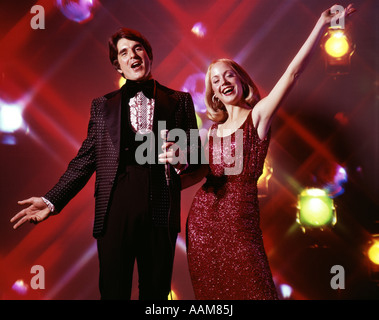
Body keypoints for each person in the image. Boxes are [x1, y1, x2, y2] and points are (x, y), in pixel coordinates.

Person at [10, 28, 199, 300]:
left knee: (156, 297)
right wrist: (51, 201)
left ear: (148, 54)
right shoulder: (102, 106)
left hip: (160, 209)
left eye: (137, 48)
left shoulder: (180, 101)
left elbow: (196, 157)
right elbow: (84, 161)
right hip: (114, 209)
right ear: (117, 64)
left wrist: (183, 158)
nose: (132, 55)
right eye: (124, 52)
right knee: (113, 293)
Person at [183, 4, 356, 299]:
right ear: (212, 94)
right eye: (215, 80)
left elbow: (293, 73)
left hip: (240, 226)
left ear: (240, 80)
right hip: (201, 227)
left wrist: (319, 25)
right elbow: (198, 176)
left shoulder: (258, 116)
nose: (223, 82)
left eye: (229, 75)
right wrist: (165, 175)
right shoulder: (210, 132)